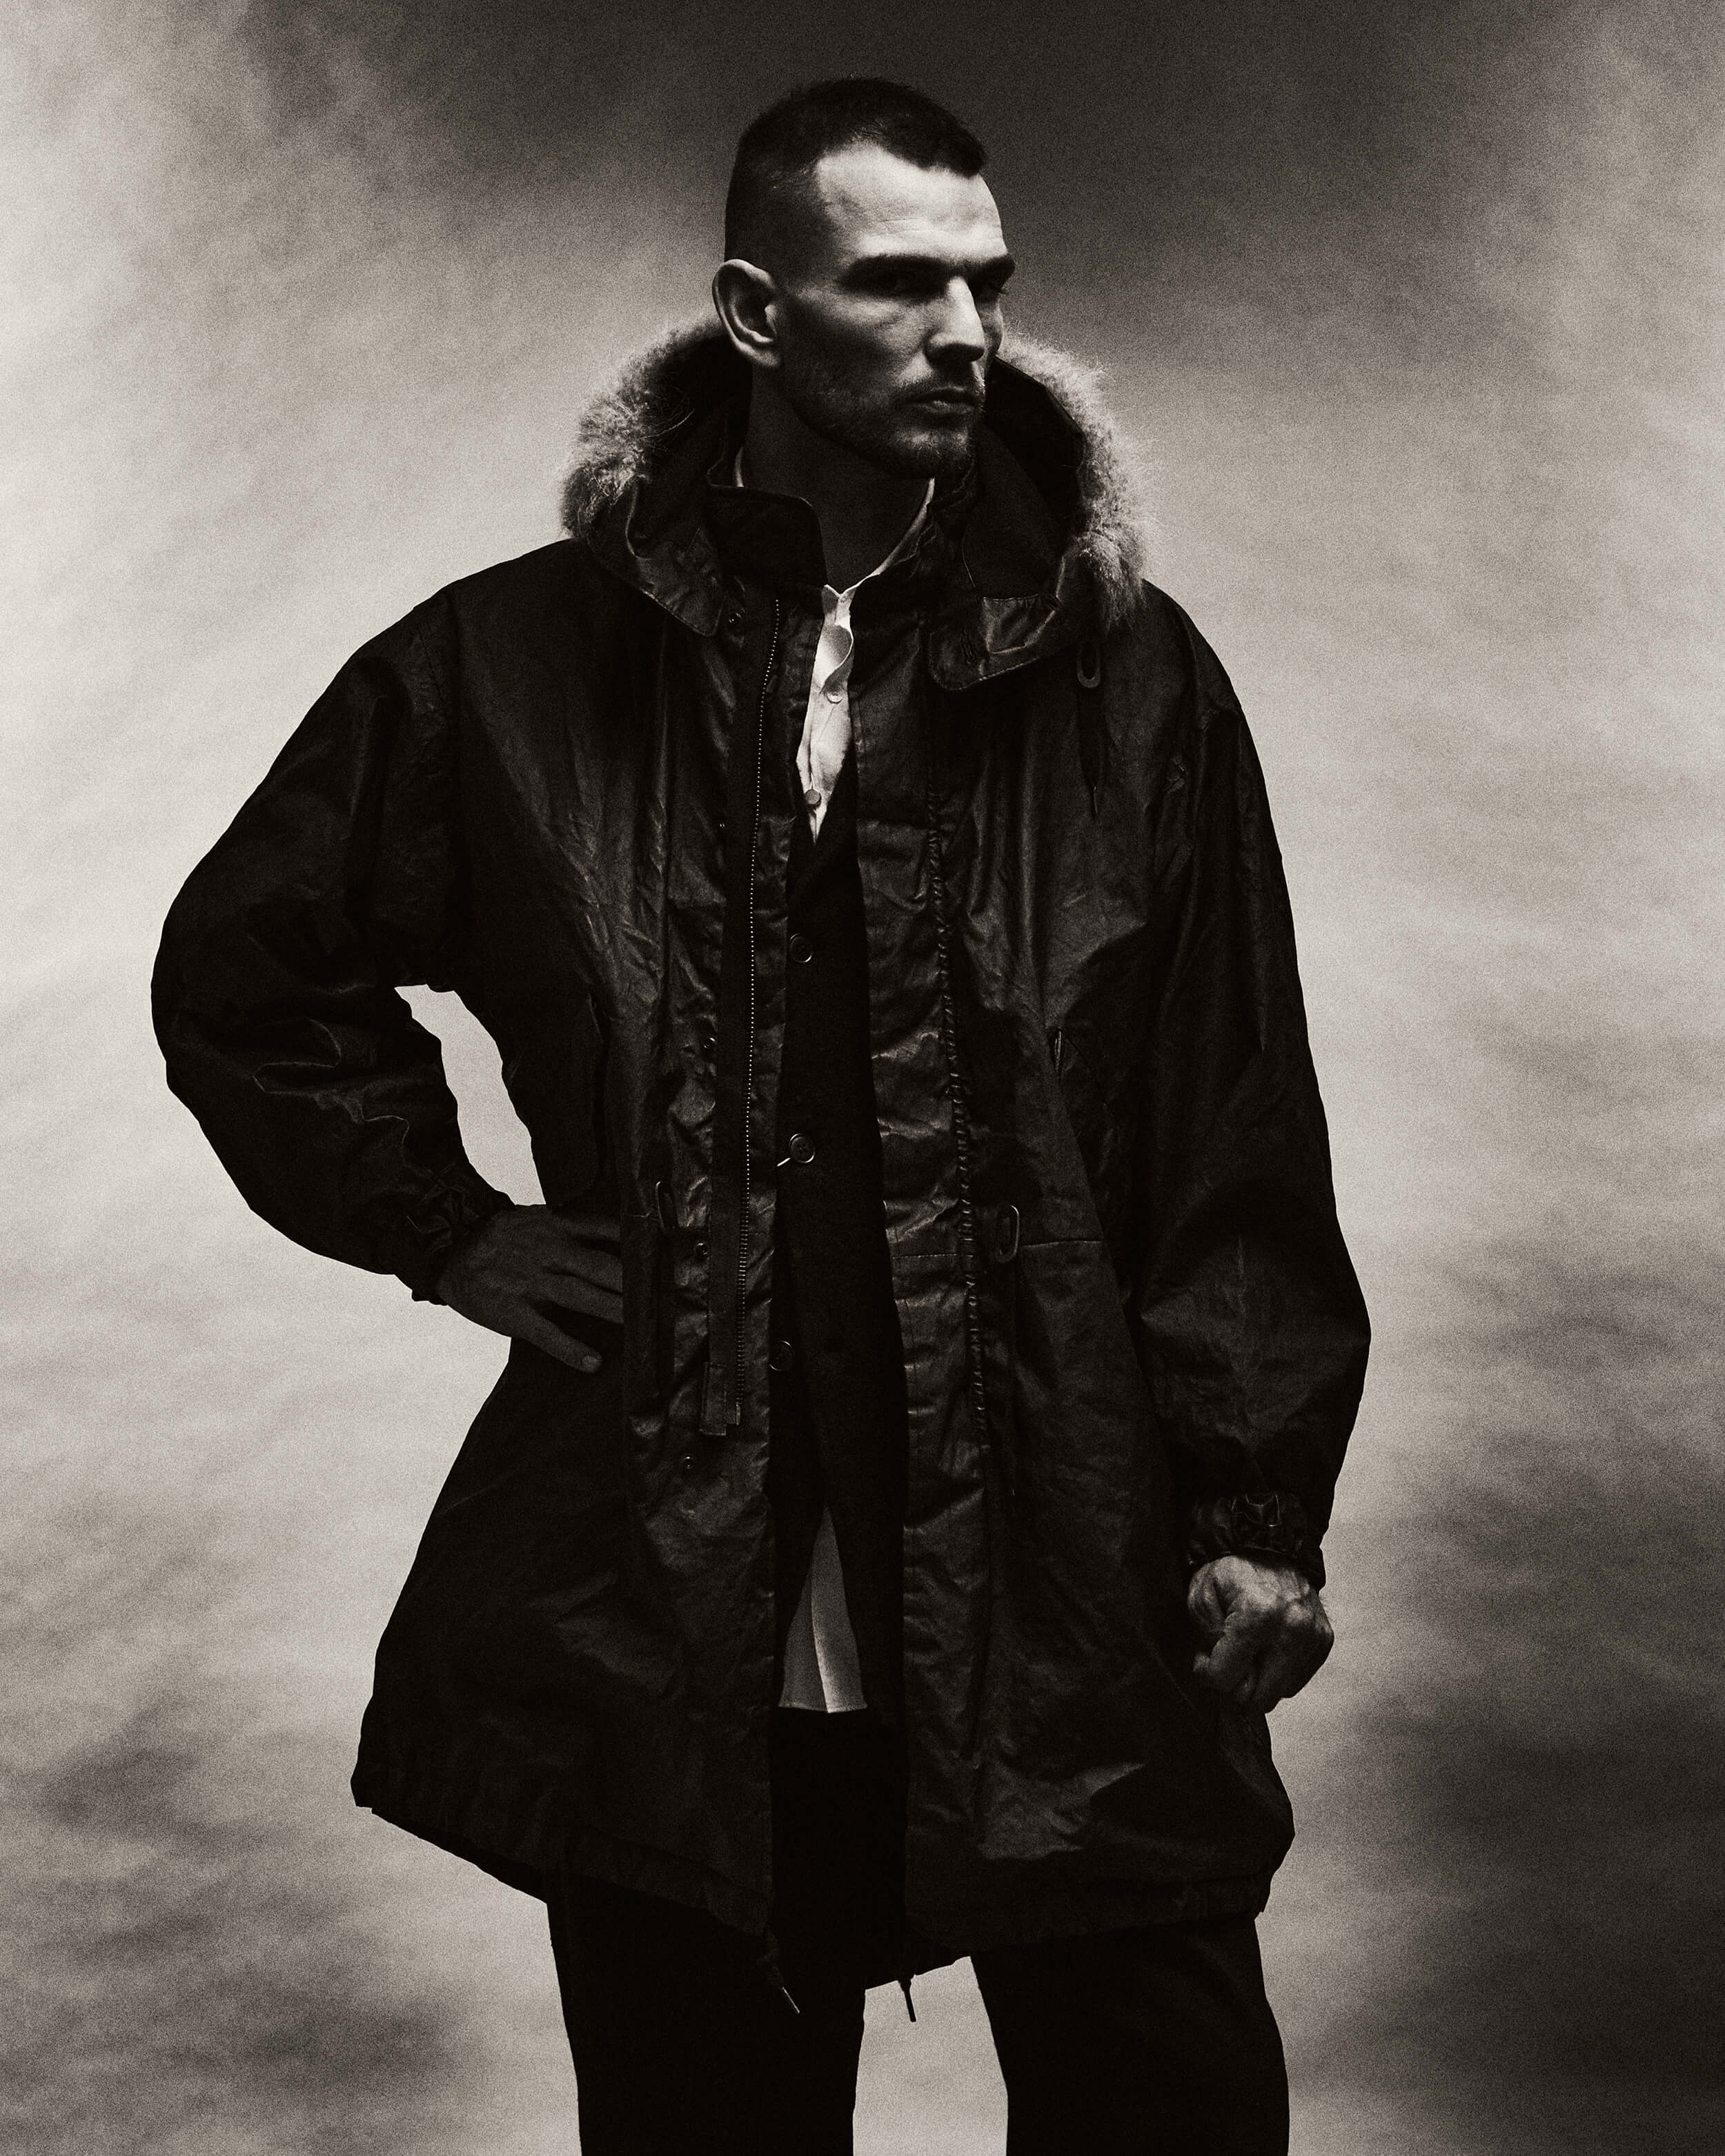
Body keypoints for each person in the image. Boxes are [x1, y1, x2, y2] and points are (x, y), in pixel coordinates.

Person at [153, 76, 1369, 2156]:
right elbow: (250, 972)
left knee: (1160, 2095)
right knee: (705, 2100)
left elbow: (1227, 1113)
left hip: (1063, 1551)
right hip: (684, 1548)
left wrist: (1257, 1505)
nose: (967, 333)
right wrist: (451, 1230)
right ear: (754, 312)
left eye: (988, 283)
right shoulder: (514, 664)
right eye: (897, 284)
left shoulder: (1130, 682)